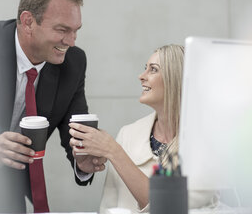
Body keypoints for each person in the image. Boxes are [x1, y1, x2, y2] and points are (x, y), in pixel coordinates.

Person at [0, 0, 106, 213]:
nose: (70, 42)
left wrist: (83, 160)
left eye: (75, 31)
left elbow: (77, 130)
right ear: (28, 21)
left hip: (8, 193)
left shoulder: (73, 62)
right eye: (62, 30)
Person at [70, 44, 213, 213]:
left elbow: (173, 208)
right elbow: (108, 208)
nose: (141, 76)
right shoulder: (128, 134)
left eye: (153, 70)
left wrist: (114, 152)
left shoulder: (206, 144)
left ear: (175, 79)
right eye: (145, 68)